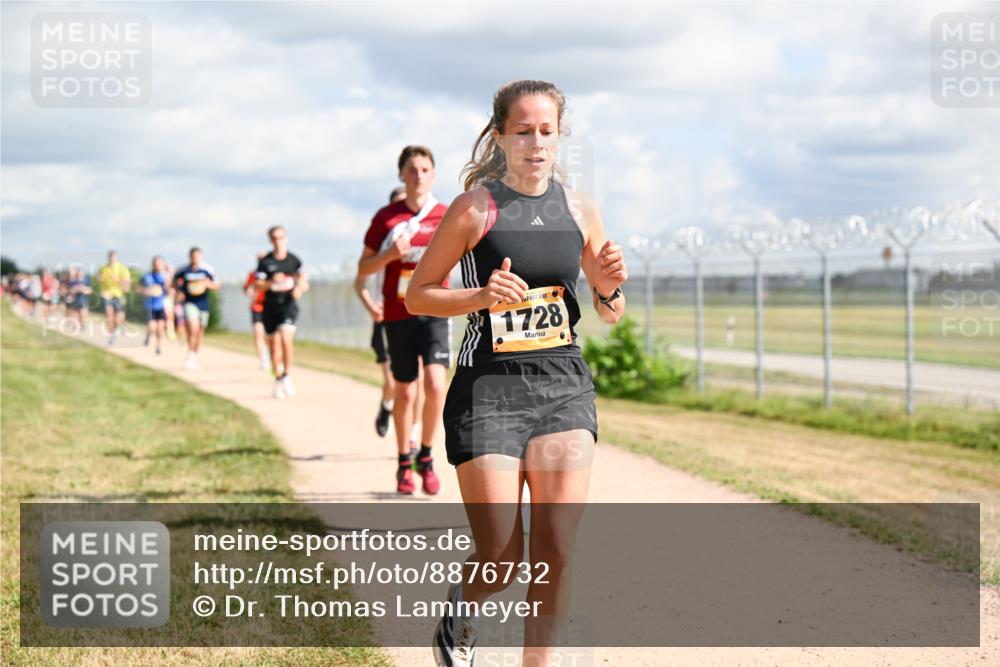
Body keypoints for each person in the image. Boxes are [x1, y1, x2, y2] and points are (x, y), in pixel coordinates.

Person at [405, 80, 628, 667]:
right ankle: (462, 608)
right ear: (500, 135)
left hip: (563, 388)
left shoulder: (581, 208)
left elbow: (609, 309)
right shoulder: (476, 207)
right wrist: (481, 294)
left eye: (546, 131)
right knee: (501, 557)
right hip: (489, 392)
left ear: (560, 137)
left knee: (555, 547)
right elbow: (418, 296)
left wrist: (608, 285)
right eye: (523, 131)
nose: (535, 143)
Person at [358, 146, 449, 496]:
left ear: (434, 174)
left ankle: (426, 456)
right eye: (412, 169)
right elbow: (363, 270)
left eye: (425, 169)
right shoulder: (386, 218)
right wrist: (389, 255)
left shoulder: (445, 214)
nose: (419, 175)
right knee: (406, 392)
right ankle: (402, 461)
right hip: (398, 314)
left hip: (436, 311)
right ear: (401, 175)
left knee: (436, 385)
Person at [354, 185, 426, 440]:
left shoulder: (415, 250)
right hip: (386, 318)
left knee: (416, 381)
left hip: (414, 316)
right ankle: (386, 406)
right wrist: (371, 306)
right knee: (393, 383)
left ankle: (413, 432)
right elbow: (359, 282)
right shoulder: (383, 248)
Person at [255, 226, 308, 398]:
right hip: (271, 306)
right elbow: (257, 285)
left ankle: (287, 375)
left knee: (286, 338)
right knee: (274, 346)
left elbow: (303, 281)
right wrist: (271, 282)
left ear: (286, 238)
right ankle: (278, 377)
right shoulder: (266, 262)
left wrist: (299, 289)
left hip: (288, 305)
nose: (279, 241)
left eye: (281, 237)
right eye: (275, 238)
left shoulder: (294, 260)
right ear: (271, 240)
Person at [174, 247, 219, 370]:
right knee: (193, 329)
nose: (195, 258)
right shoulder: (183, 270)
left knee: (200, 332)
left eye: (197, 256)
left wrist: (207, 284)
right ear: (190, 256)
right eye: (193, 256)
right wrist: (179, 292)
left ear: (201, 256)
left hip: (203, 304)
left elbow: (216, 285)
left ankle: (195, 355)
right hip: (189, 303)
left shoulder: (207, 270)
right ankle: (190, 354)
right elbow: (174, 282)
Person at [245, 251, 278, 372]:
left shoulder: (273, 274)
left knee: (270, 336)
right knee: (258, 333)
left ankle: (272, 355)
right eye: (259, 258)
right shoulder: (253, 274)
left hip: (270, 307)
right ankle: (263, 358)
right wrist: (250, 291)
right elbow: (247, 289)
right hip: (257, 307)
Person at [96, 250, 131, 345]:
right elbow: (99, 279)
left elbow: (127, 286)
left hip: (118, 295)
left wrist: (117, 280)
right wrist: (99, 277)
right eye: (110, 257)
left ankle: (117, 329)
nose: (112, 259)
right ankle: (112, 336)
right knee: (109, 315)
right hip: (107, 295)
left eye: (114, 257)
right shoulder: (103, 268)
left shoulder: (122, 268)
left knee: (118, 319)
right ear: (108, 258)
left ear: (116, 258)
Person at [140, 256, 169, 355]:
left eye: (159, 264)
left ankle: (158, 346)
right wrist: (146, 291)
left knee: (160, 327)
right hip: (149, 306)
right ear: (152, 264)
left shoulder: (165, 277)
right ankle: (149, 334)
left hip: (161, 306)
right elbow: (139, 288)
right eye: (156, 264)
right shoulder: (146, 276)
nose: (157, 266)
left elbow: (169, 290)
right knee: (152, 327)